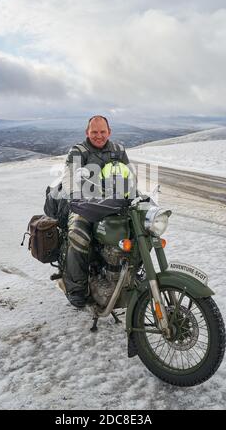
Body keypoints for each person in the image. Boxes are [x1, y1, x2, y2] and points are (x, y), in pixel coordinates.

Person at [62, 115, 133, 308]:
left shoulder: (118, 150)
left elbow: (129, 176)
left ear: (109, 132)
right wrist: (77, 197)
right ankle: (76, 288)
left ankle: (131, 276)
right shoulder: (79, 151)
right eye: (94, 132)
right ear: (87, 132)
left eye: (103, 132)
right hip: (84, 206)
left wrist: (136, 194)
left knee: (141, 231)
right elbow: (69, 179)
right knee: (78, 235)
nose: (99, 136)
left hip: (115, 205)